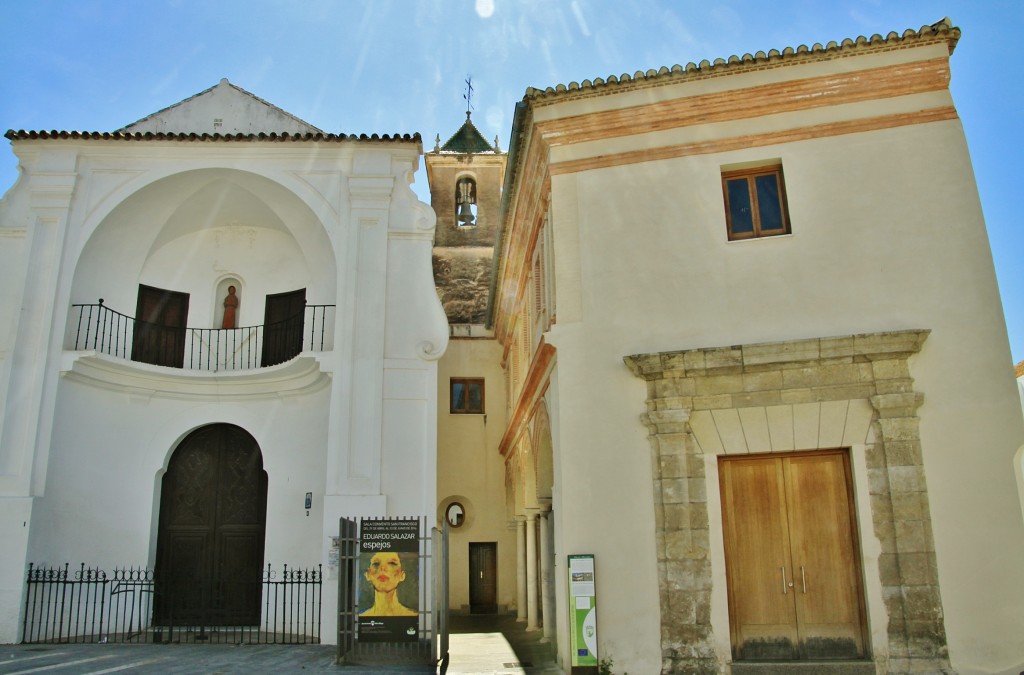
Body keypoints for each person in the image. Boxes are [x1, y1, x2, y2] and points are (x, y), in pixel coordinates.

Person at [361, 551, 416, 616]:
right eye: (376, 564)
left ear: (402, 575)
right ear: (368, 575)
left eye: (392, 563)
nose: (382, 568)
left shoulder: (413, 616)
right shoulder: (362, 617)